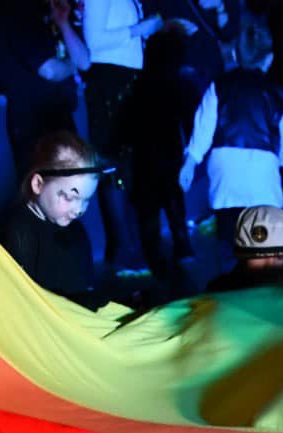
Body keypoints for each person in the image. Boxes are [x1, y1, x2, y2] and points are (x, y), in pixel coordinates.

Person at [81, 0, 193, 272]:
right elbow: (93, 42)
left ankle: (136, 249)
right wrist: (140, 29)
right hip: (110, 84)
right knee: (114, 167)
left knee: (133, 169)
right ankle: (123, 252)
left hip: (129, 80)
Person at [180, 17, 283, 245]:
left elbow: (203, 129)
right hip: (263, 180)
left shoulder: (218, 87)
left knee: (230, 245)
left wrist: (190, 163)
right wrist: (282, 161)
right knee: (261, 247)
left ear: (235, 55)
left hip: (224, 178)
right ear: (270, 59)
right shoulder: (278, 94)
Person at [0, 0, 89, 186]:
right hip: (33, 123)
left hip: (61, 115)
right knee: (43, 188)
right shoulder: (15, 12)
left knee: (71, 185)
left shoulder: (54, 11)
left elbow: (84, 61)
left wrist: (63, 23)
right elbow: (51, 70)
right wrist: (73, 65)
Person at [1, 131, 112, 310]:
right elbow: (22, 300)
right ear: (38, 184)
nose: (79, 210)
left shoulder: (76, 231)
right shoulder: (19, 230)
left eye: (86, 200)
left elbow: (85, 282)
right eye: (69, 197)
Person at [204, 204, 283, 292]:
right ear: (240, 255)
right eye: (260, 256)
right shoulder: (220, 292)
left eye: (280, 256)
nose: (270, 264)